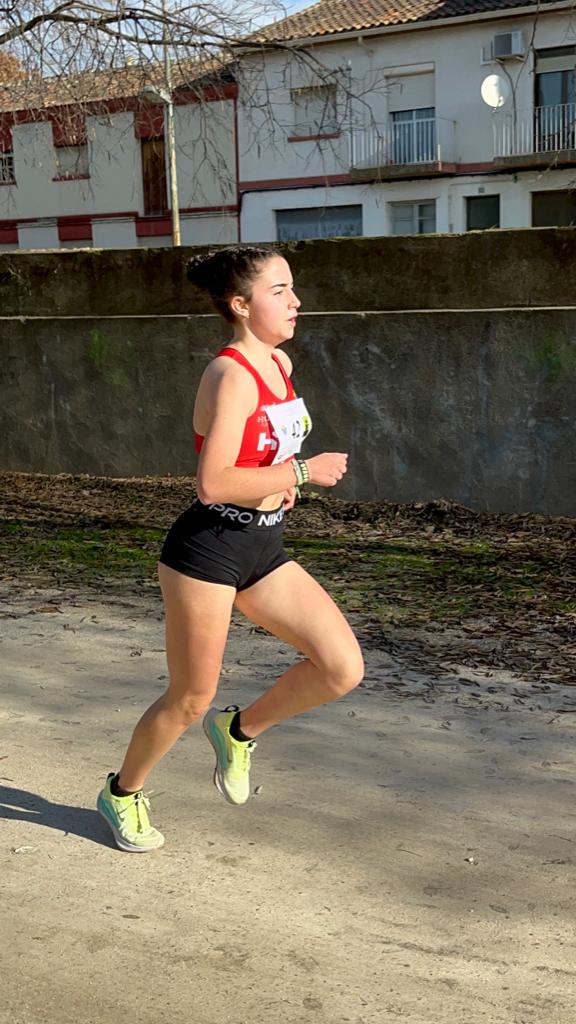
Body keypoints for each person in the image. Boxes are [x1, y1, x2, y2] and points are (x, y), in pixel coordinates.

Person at [97, 245, 364, 852]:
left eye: (293, 288)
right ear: (241, 305)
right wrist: (301, 475)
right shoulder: (230, 374)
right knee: (190, 696)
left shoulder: (280, 365)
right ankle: (122, 793)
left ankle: (240, 731)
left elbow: (259, 456)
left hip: (262, 544)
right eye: (279, 292)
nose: (295, 302)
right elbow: (214, 481)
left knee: (342, 667)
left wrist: (280, 484)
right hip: (209, 549)